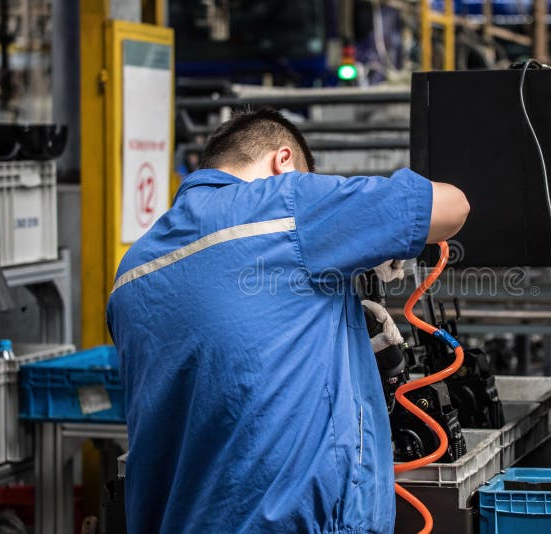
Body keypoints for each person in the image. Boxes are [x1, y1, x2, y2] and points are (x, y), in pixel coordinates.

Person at [106, 107, 469, 533]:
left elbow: (230, 364)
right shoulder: (285, 201)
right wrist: (364, 238)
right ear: (283, 163)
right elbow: (452, 206)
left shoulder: (133, 270)